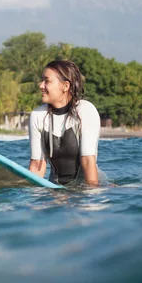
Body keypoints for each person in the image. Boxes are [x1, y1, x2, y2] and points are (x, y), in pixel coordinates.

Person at [28, 59, 103, 187]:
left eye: (47, 81)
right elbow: (37, 165)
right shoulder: (38, 116)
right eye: (42, 80)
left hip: (87, 185)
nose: (41, 85)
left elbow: (88, 161)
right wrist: (30, 199)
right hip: (55, 190)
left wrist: (92, 196)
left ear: (65, 86)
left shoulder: (85, 111)